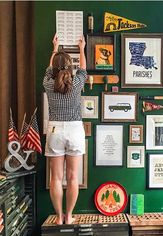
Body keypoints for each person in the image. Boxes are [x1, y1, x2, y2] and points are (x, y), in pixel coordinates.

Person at [43, 34, 87, 225]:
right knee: (72, 177)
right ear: (70, 67)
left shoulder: (47, 83)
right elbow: (83, 70)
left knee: (56, 178)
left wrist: (55, 48)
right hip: (75, 129)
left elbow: (49, 69)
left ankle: (59, 217)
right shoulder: (77, 83)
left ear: (54, 67)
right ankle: (69, 216)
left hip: (54, 130)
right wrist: (82, 49)